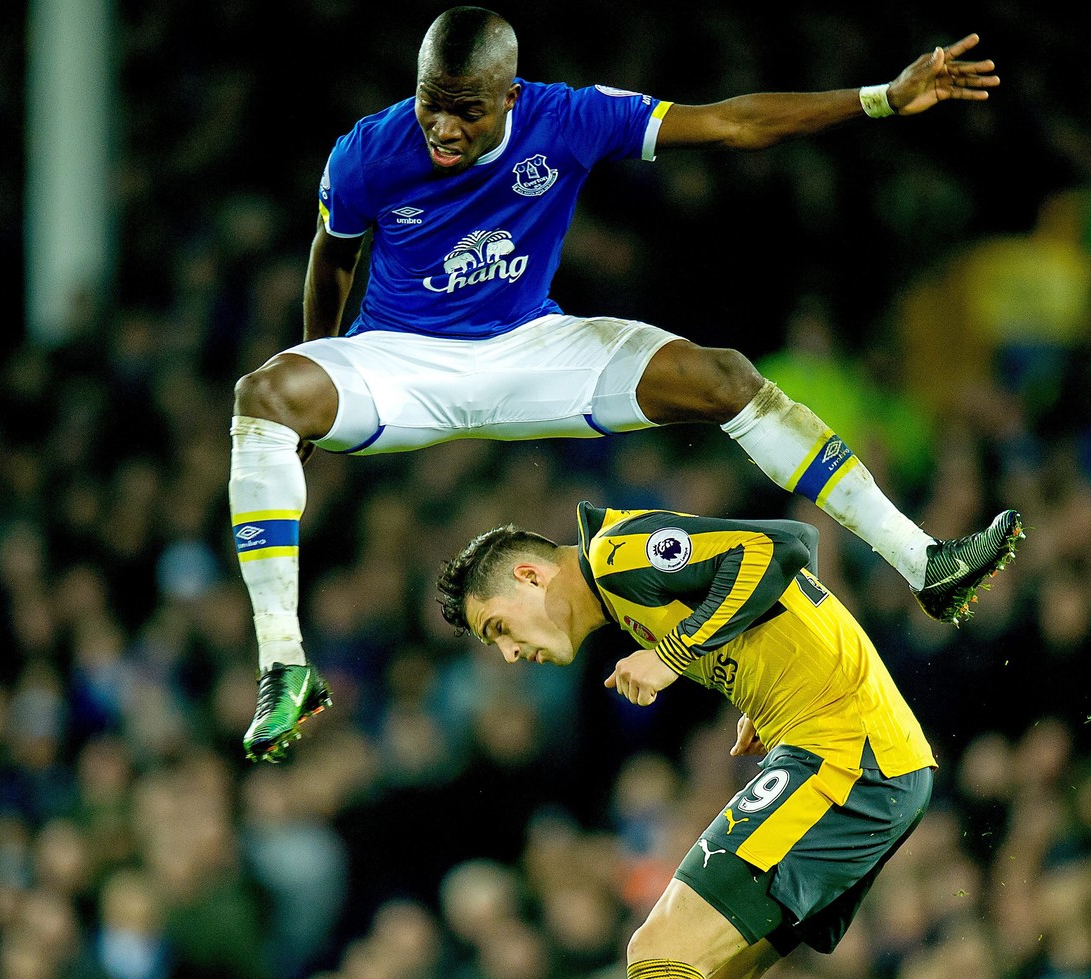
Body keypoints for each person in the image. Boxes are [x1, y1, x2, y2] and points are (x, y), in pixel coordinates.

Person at [230, 5, 1012, 762]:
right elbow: (333, 253)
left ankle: (923, 561)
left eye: (466, 111)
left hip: (530, 349)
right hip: (401, 361)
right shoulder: (367, 152)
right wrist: (322, 371)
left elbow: (732, 123)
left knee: (725, 377)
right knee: (265, 396)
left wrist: (880, 99)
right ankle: (284, 663)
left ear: (510, 95)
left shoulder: (567, 118)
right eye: (432, 104)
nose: (442, 128)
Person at [436, 501, 1022, 977]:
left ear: (529, 575)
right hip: (861, 757)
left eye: (499, 629)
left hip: (846, 753)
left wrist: (674, 654)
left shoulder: (618, 556)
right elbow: (779, 605)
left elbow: (787, 546)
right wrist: (763, 703)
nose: (511, 654)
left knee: (657, 956)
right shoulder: (625, 596)